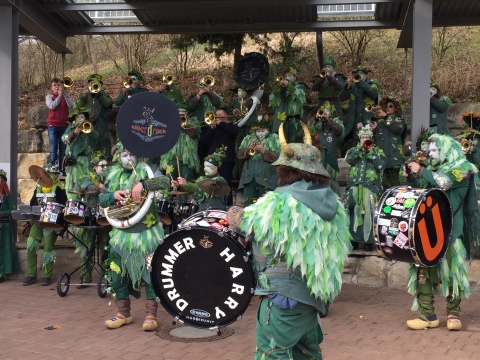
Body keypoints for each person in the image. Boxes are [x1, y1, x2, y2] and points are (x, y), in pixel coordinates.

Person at [240, 122, 351, 359]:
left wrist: (234, 216)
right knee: (306, 353)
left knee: (272, 352)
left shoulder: (281, 202)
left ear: (285, 170)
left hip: (284, 295)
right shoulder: (333, 204)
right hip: (312, 296)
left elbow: (248, 225)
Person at [404, 134, 478, 331]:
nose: (431, 154)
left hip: (452, 230)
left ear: (447, 150)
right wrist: (412, 177)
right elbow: (423, 194)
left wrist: (420, 169)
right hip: (428, 229)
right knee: (422, 270)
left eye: (436, 150)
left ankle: (453, 314)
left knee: (453, 271)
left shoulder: (463, 168)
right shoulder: (433, 170)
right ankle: (427, 315)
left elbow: (444, 183)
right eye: (431, 150)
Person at [100, 142, 170, 331]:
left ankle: (151, 315)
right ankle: (123, 313)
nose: (128, 158)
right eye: (124, 154)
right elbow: (101, 199)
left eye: (131, 154)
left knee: (150, 273)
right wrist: (112, 195)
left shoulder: (149, 169)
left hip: (146, 234)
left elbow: (166, 182)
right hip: (121, 234)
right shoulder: (113, 174)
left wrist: (144, 183)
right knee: (117, 273)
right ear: (118, 157)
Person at [23, 164, 67, 286]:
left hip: (51, 223)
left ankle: (47, 276)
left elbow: (64, 207)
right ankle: (31, 275)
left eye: (52, 174)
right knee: (31, 245)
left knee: (48, 250)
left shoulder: (59, 189)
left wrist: (61, 226)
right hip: (38, 222)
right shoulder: (38, 188)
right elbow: (32, 204)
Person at [344, 125, 386, 251]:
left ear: (371, 138)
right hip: (354, 186)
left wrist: (371, 151)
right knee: (354, 212)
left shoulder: (378, 151)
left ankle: (369, 241)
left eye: (367, 137)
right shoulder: (354, 150)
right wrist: (359, 150)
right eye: (362, 137)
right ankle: (354, 240)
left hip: (370, 187)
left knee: (370, 211)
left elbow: (381, 165)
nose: (364, 139)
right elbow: (349, 160)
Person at [77, 151, 111, 289]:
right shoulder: (88, 176)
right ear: (95, 167)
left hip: (106, 216)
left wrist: (105, 187)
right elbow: (86, 186)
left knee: (106, 248)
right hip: (91, 215)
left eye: (105, 165)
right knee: (87, 247)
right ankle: (85, 277)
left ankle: (106, 277)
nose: (104, 168)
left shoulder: (110, 178)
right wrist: (98, 187)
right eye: (101, 165)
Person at [199, 107, 239, 205]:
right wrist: (211, 129)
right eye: (216, 115)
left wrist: (221, 124)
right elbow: (203, 142)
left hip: (226, 161)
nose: (217, 117)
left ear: (226, 115)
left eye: (220, 115)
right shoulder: (213, 128)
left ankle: (227, 205)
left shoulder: (231, 126)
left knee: (225, 185)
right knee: (211, 184)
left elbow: (234, 133)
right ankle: (211, 204)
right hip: (212, 162)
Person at [237, 117, 280, 206]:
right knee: (248, 207)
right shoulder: (248, 138)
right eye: (258, 131)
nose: (260, 133)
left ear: (267, 130)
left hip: (267, 181)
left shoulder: (274, 138)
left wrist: (264, 151)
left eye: (262, 131)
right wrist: (248, 149)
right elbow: (239, 155)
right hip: (249, 180)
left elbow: (279, 158)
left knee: (265, 207)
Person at [172, 146, 230, 211]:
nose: (205, 169)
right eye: (204, 166)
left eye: (208, 166)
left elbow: (203, 187)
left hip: (216, 213)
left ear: (216, 168)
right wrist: (179, 186)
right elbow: (193, 189)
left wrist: (186, 184)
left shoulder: (220, 180)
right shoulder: (201, 179)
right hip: (202, 213)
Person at [340, 65, 380, 153]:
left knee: (368, 139)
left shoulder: (373, 83)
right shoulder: (353, 85)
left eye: (362, 73)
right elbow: (342, 97)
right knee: (355, 140)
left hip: (367, 118)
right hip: (354, 119)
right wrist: (348, 86)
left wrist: (360, 82)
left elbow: (374, 94)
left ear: (366, 75)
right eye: (358, 74)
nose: (360, 75)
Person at [308, 101, 344, 193]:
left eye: (326, 111)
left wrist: (328, 120)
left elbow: (339, 131)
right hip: (318, 156)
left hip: (330, 157)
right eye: (322, 111)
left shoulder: (335, 122)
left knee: (332, 182)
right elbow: (307, 130)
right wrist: (315, 119)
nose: (323, 113)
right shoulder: (316, 123)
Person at [371, 97, 406, 189]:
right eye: (386, 106)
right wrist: (374, 115)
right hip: (381, 158)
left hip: (394, 159)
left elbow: (397, 128)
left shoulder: (399, 119)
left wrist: (386, 117)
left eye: (391, 106)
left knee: (394, 186)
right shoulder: (380, 121)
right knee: (381, 186)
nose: (388, 108)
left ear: (396, 109)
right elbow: (372, 132)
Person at [61, 108, 98, 197]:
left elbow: (96, 136)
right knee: (74, 182)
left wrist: (89, 130)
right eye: (78, 117)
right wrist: (74, 132)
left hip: (87, 160)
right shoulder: (71, 128)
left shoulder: (89, 127)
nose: (80, 119)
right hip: (75, 161)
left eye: (82, 117)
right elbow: (63, 139)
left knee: (88, 180)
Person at [75, 73, 113, 159]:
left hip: (101, 121)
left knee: (103, 140)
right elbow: (76, 107)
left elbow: (108, 104)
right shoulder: (84, 95)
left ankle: (105, 158)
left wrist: (99, 94)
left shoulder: (103, 95)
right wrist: (83, 97)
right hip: (88, 122)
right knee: (89, 141)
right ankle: (90, 158)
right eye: (91, 83)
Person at [159, 105, 200, 185]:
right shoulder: (170, 122)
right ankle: (168, 196)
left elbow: (194, 134)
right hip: (171, 157)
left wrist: (183, 124)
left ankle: (183, 197)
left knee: (184, 183)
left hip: (188, 159)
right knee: (169, 181)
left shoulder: (192, 121)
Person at [269, 66, 307, 143]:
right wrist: (278, 88)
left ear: (295, 77)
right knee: (283, 144)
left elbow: (300, 96)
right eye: (285, 76)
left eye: (289, 76)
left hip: (294, 120)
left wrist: (288, 85)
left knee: (294, 144)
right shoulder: (282, 89)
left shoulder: (300, 86)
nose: (286, 78)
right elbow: (272, 99)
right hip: (282, 121)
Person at [228, 85, 259, 179]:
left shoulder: (251, 102)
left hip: (247, 130)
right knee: (236, 150)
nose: (241, 92)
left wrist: (244, 120)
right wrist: (233, 113)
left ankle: (246, 173)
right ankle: (236, 174)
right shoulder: (234, 102)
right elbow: (228, 115)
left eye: (243, 90)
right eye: (239, 90)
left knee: (248, 149)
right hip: (237, 130)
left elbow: (254, 118)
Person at [46, 77, 74, 175]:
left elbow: (72, 106)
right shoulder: (49, 97)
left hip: (64, 126)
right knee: (53, 150)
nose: (57, 87)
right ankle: (52, 171)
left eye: (58, 85)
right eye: (55, 85)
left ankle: (62, 171)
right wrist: (59, 96)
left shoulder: (65, 96)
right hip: (53, 126)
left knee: (62, 150)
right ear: (52, 88)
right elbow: (52, 106)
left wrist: (64, 94)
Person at [0, 170, 19, 283]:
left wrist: (3, 213)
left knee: (3, 250)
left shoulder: (8, 195)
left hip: (4, 226)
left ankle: (2, 273)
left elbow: (13, 209)